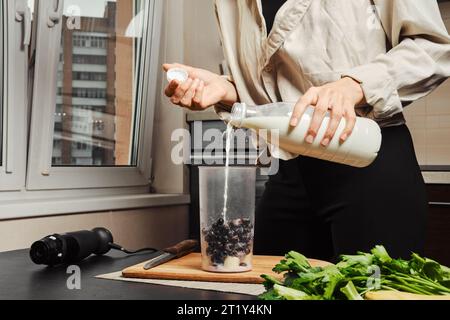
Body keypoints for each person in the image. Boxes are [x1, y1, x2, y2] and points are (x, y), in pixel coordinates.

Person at [164, 0, 450, 261]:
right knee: (267, 289)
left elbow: (433, 47)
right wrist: (229, 88)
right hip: (290, 167)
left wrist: (355, 85)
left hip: (367, 159)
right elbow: (280, 85)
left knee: (371, 290)